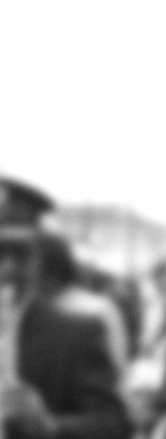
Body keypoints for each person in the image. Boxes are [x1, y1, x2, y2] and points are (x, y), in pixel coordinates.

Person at [1, 175, 132, 439]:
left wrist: (51, 427)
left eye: (19, 255)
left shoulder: (76, 330)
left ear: (41, 259)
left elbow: (115, 424)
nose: (7, 268)